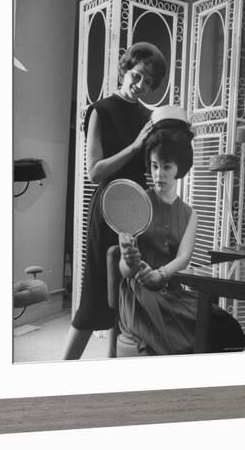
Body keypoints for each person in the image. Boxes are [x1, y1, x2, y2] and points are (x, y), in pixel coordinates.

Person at [62, 42, 168, 359]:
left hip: (139, 212)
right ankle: (61, 369)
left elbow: (157, 166)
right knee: (96, 294)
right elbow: (94, 171)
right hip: (108, 207)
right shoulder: (101, 110)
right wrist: (136, 146)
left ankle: (113, 366)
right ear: (125, 69)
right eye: (136, 76)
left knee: (128, 292)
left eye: (148, 83)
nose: (140, 87)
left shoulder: (150, 117)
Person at [118, 109, 245, 356]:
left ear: (179, 168)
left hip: (171, 289)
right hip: (139, 294)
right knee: (184, 337)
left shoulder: (190, 214)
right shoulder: (135, 204)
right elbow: (123, 271)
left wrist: (161, 275)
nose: (158, 174)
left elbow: (184, 258)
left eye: (166, 167)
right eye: (155, 166)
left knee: (222, 324)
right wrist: (128, 259)